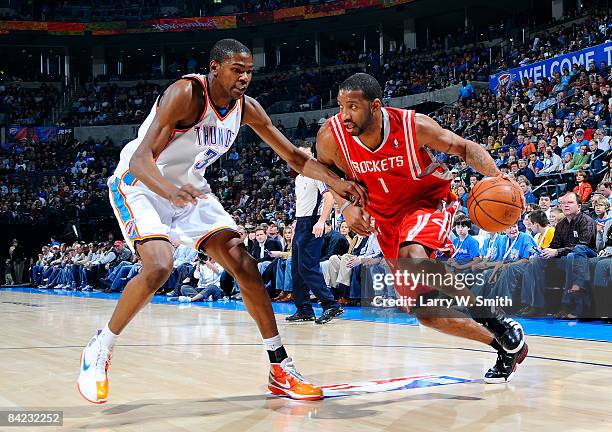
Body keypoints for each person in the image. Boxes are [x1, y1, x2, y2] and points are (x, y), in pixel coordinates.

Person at [77, 39, 367, 404]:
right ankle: (100, 347)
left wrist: (337, 181)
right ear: (214, 68)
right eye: (237, 70)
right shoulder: (185, 93)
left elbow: (294, 156)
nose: (245, 78)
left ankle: (280, 366)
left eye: (249, 71)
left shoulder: (247, 109)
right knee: (159, 266)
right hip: (141, 185)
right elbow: (139, 160)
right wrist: (168, 192)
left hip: (188, 189)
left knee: (243, 263)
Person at [316, 73, 526, 384]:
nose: (344, 115)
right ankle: (504, 346)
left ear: (375, 106)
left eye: (353, 106)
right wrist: (346, 206)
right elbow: (327, 174)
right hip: (385, 221)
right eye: (340, 106)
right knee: (427, 314)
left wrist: (496, 175)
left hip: (427, 201)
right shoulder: (331, 137)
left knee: (414, 256)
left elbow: (464, 148)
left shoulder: (414, 125)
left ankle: (494, 319)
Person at [286, 141, 344, 325]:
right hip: (301, 223)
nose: (302, 159)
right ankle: (304, 309)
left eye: (306, 155)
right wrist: (296, 223)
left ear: (312, 156)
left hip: (313, 223)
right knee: (296, 268)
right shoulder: (298, 178)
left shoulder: (317, 175)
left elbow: (328, 198)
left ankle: (331, 305)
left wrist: (321, 221)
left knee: (308, 267)